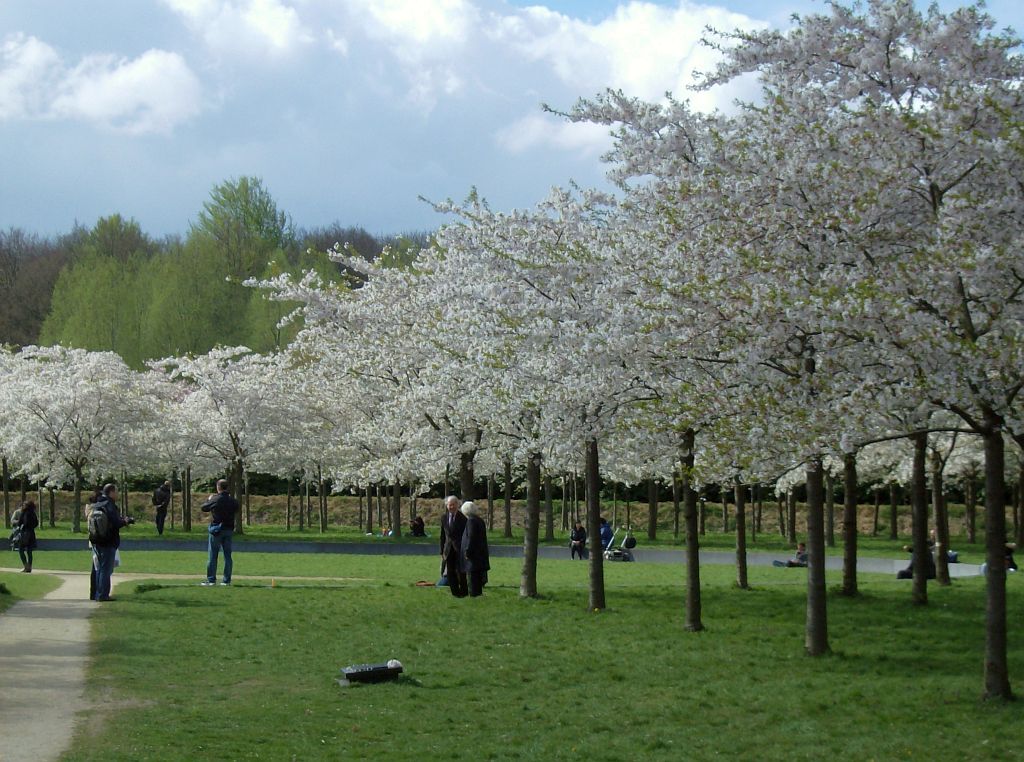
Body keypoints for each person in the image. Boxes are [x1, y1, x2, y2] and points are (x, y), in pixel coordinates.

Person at [92, 484, 131, 602]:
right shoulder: (109, 505)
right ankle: (103, 595)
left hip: (97, 539)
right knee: (106, 569)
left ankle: (98, 593)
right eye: (116, 492)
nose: (117, 494)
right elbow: (115, 522)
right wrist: (125, 521)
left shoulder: (98, 503)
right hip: (108, 540)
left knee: (99, 568)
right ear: (111, 492)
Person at [201, 479, 239, 586]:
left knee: (213, 555)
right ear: (227, 487)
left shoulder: (215, 499)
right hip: (228, 529)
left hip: (216, 529)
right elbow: (237, 509)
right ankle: (226, 580)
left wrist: (209, 499)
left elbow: (204, 508)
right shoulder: (233, 501)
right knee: (228, 556)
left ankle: (211, 580)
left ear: (218, 487)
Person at [460, 501, 490, 597]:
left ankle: (474, 594)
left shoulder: (471, 521)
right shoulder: (479, 520)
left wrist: (467, 551)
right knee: (477, 575)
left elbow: (471, 537)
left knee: (472, 575)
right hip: (480, 553)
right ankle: (477, 593)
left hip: (473, 554)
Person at [439, 495, 467, 597]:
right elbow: (443, 536)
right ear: (447, 506)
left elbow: (465, 535)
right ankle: (455, 592)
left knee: (461, 571)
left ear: (457, 505)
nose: (451, 507)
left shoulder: (463, 518)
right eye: (449, 505)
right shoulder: (444, 518)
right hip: (448, 549)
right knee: (450, 572)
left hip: (459, 549)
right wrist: (442, 551)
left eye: (453, 505)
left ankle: (464, 592)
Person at [13, 500, 39, 572]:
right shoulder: (33, 513)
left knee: (21, 549)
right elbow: (36, 523)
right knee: (29, 551)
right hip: (31, 533)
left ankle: (25, 566)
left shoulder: (24, 512)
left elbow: (20, 523)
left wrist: (21, 526)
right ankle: (29, 567)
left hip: (24, 533)